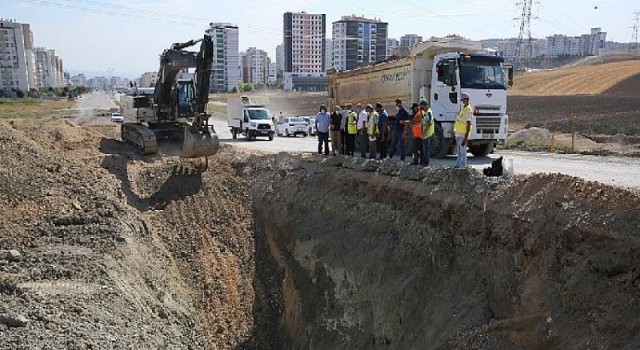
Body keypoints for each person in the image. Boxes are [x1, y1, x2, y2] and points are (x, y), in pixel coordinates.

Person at [454, 93, 473, 168]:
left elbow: (468, 124)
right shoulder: (464, 109)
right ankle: (458, 165)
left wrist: (466, 137)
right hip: (458, 133)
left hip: (462, 134)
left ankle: (463, 166)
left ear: (466, 99)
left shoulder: (468, 110)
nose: (461, 101)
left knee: (463, 152)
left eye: (462, 100)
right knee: (459, 152)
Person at [420, 100, 435, 166]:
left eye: (422, 107)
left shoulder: (428, 113)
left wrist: (424, 132)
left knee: (426, 149)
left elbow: (429, 123)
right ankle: (425, 162)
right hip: (426, 133)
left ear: (425, 105)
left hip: (427, 134)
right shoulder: (426, 112)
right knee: (425, 148)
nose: (422, 108)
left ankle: (426, 163)